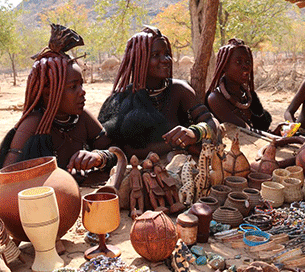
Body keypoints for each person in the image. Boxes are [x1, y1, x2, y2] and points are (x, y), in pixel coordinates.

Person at [0, 24, 116, 184]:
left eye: (81, 85)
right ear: (49, 92)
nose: (82, 92)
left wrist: (99, 157)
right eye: (73, 87)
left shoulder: (82, 117)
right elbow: (6, 180)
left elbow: (116, 151)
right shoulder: (33, 124)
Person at [98, 26, 219, 160]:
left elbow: (212, 122)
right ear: (140, 60)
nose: (165, 59)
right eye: (156, 55)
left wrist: (194, 132)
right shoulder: (122, 98)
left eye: (166, 53)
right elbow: (119, 148)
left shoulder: (179, 90)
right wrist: (175, 145)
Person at [206, 38, 272, 132]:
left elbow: (260, 128)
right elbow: (247, 132)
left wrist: (276, 132)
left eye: (248, 62)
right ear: (225, 66)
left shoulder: (248, 96)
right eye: (238, 62)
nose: (245, 66)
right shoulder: (216, 99)